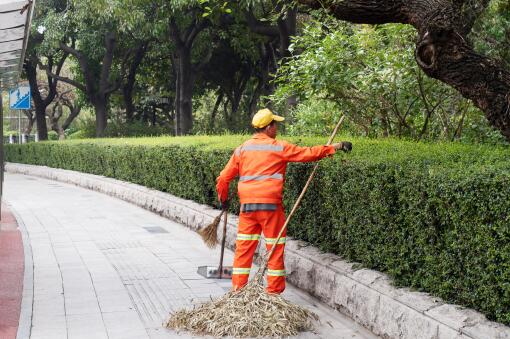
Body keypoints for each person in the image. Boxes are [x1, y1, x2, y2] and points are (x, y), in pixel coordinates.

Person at [216, 108, 352, 294]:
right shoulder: (278, 147)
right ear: (269, 127)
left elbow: (223, 178)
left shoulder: (242, 149)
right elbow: (308, 153)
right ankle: (273, 294)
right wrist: (335, 147)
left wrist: (223, 200)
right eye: (275, 125)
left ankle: (238, 291)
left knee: (243, 251)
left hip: (247, 209)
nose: (277, 128)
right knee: (275, 249)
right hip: (271, 208)